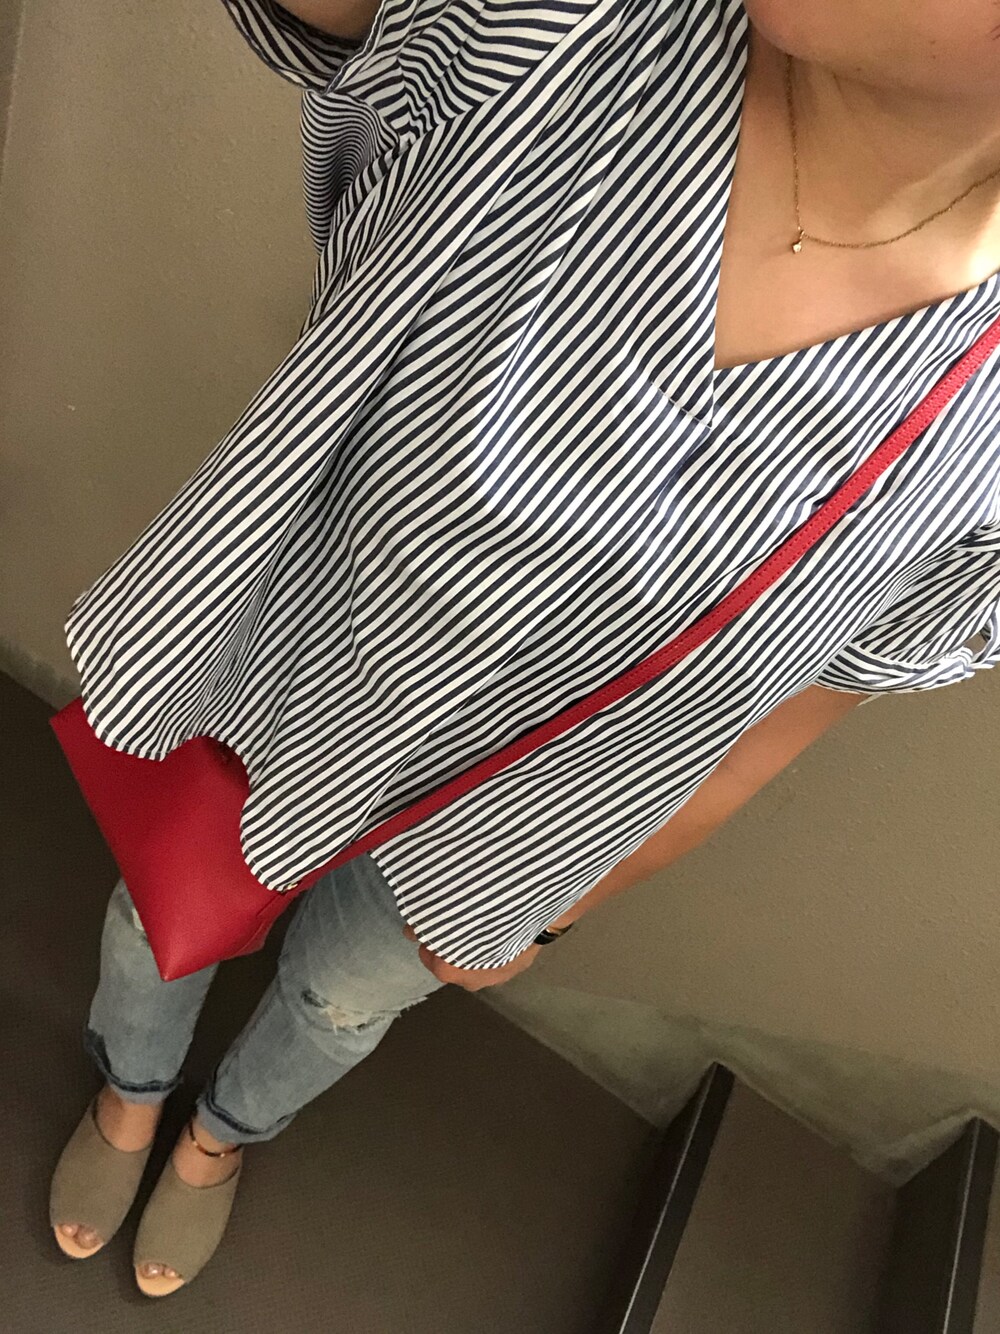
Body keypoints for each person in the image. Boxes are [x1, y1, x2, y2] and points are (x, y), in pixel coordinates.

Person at [50, 0, 1000, 1298]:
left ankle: (223, 1134)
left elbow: (777, 717)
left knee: (340, 1001)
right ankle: (130, 1088)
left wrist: (555, 908)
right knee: (157, 912)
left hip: (502, 826)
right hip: (281, 671)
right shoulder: (569, 26)